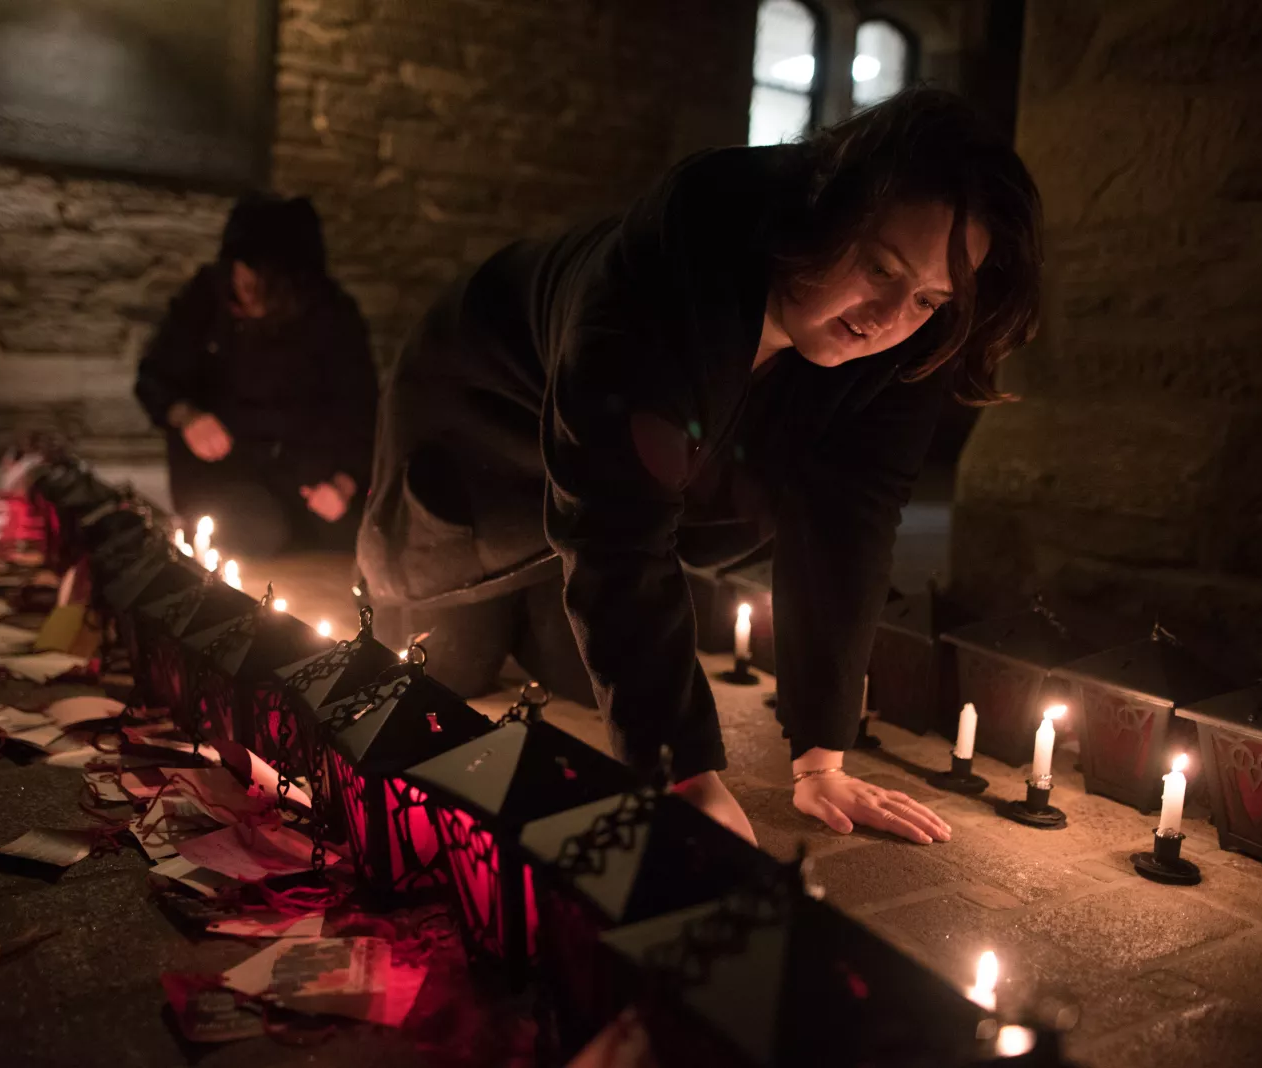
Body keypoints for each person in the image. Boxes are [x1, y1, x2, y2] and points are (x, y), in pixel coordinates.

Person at [358, 90, 1042, 846]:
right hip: (486, 427)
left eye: (928, 298)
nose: (888, 316)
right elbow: (614, 525)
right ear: (829, 209)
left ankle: (545, 600)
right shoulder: (679, 253)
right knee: (446, 665)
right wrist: (683, 774)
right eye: (880, 267)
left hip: (623, 477)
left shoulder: (910, 339)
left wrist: (822, 759)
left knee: (577, 665)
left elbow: (853, 515)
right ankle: (477, 593)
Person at [135, 193, 377, 557]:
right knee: (254, 532)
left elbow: (361, 408)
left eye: (265, 290)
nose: (250, 299)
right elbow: (155, 378)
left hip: (306, 474)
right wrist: (187, 416)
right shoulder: (206, 300)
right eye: (243, 284)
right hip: (224, 475)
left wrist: (344, 483)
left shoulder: (333, 317)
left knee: (356, 539)